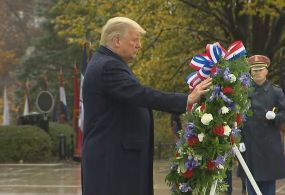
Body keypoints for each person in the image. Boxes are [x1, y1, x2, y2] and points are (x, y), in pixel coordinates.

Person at [81, 17, 212, 195]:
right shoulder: (108, 66)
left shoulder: (109, 63)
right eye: (135, 40)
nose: (139, 45)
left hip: (118, 161)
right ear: (117, 41)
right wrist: (186, 100)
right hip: (113, 164)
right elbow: (141, 95)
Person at [237, 55, 285, 195]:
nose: (257, 73)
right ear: (250, 72)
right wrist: (239, 139)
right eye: (254, 70)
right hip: (250, 142)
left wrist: (275, 117)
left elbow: (284, 115)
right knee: (251, 183)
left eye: (260, 70)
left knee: (269, 185)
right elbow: (238, 118)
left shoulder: (275, 91)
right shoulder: (244, 92)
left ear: (266, 71)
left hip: (269, 143)